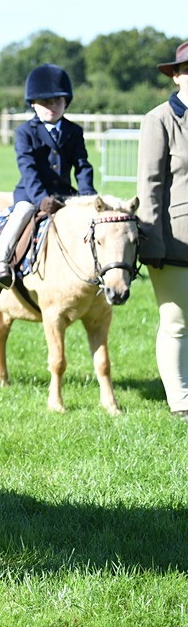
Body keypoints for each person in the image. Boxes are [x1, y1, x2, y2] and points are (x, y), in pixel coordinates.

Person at [0, 63, 96, 293]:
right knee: (21, 214)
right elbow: (28, 169)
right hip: (31, 192)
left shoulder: (74, 131)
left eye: (57, 101)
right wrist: (41, 199)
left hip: (66, 194)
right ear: (33, 105)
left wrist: (87, 195)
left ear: (65, 102)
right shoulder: (24, 132)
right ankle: (0, 265)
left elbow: (82, 165)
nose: (51, 107)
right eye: (45, 103)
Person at [138, 41, 188, 419]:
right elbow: (149, 185)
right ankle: (181, 401)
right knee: (176, 322)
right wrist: (152, 241)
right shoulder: (160, 119)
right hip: (175, 240)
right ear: (175, 75)